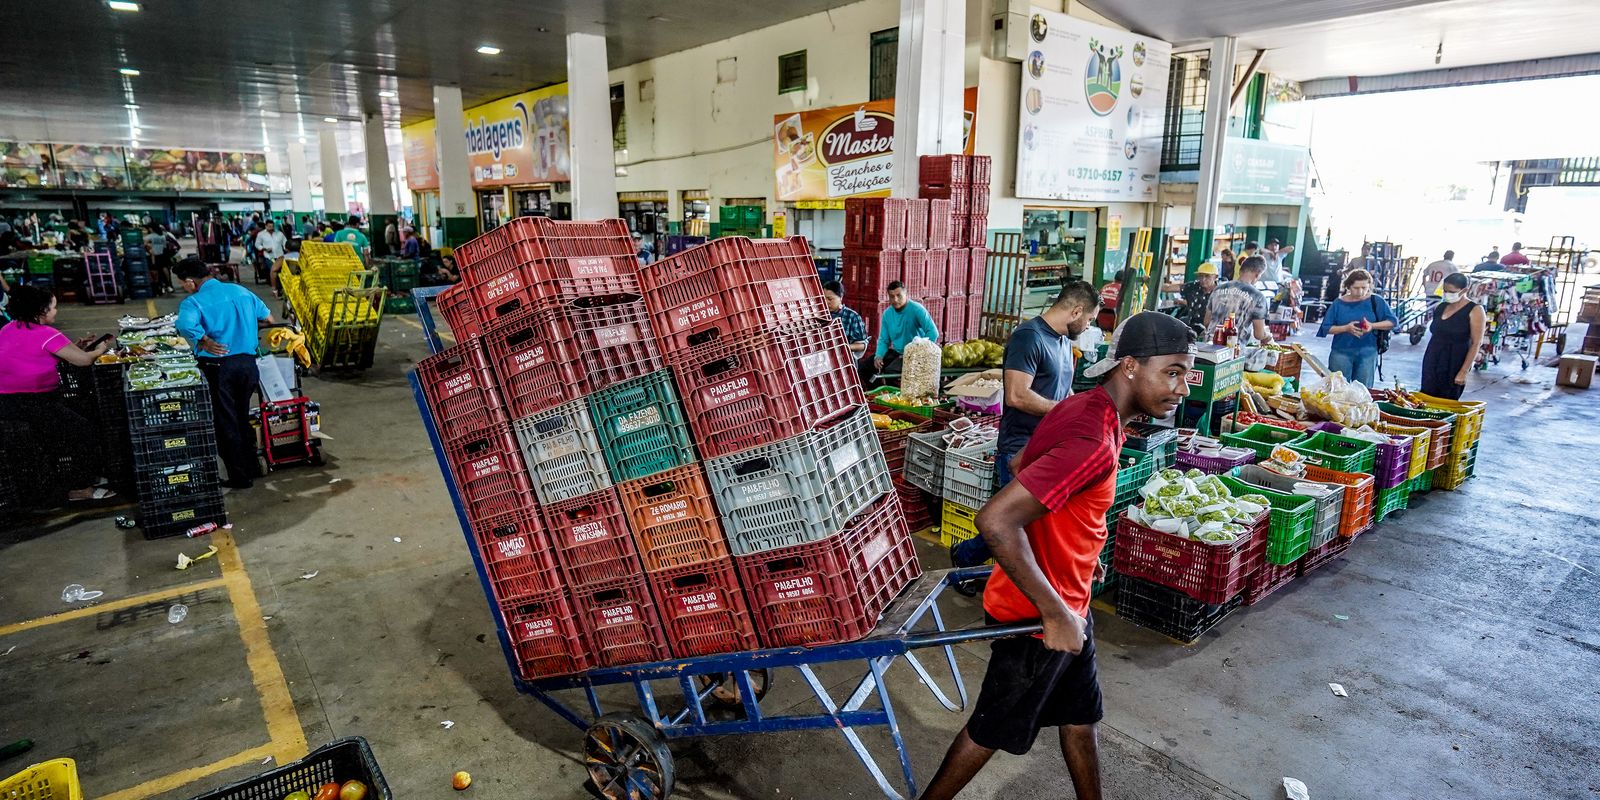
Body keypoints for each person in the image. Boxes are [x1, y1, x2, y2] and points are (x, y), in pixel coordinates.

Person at [920, 312, 1197, 800]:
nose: (1183, 387)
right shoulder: (1094, 437)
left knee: (1079, 717)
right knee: (989, 731)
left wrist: (1083, 556)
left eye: (1186, 374)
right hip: (1038, 615)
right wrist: (1053, 613)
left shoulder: (1085, 408)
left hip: (1069, 600)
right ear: (1130, 366)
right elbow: (996, 521)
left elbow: (1020, 463)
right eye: (1171, 371)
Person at [951, 280, 1098, 569]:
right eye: (1089, 320)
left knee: (1022, 523)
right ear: (1076, 311)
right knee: (1010, 523)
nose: (1088, 326)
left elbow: (1060, 390)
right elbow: (1017, 395)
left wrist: (1079, 410)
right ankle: (968, 561)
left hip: (1049, 447)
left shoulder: (1063, 342)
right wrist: (1065, 414)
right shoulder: (1028, 337)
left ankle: (973, 561)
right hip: (1021, 449)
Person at [0, 285, 116, 502]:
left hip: (6, 402)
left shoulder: (7, 328)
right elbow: (83, 361)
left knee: (60, 431)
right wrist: (99, 350)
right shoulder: (47, 333)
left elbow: (30, 355)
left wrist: (75, 347)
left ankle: (71, 477)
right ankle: (81, 488)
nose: (56, 311)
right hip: (35, 402)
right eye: (53, 307)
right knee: (85, 433)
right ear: (42, 311)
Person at [174, 257, 274, 489]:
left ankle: (240, 477)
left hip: (220, 369)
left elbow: (184, 325)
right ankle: (251, 466)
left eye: (182, 283)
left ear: (190, 282)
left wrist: (204, 339)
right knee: (241, 416)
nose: (183, 288)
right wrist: (244, 327)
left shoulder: (194, 302)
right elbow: (268, 318)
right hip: (248, 365)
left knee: (225, 422)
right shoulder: (241, 291)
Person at [1316, 267, 1397, 387]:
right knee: (1338, 389)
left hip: (1368, 352)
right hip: (1341, 352)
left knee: (1363, 389)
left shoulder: (1376, 301)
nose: (1360, 292)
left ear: (1369, 286)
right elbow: (1326, 328)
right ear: (1348, 287)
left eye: (1364, 288)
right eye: (1356, 288)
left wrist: (1372, 326)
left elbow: (1392, 322)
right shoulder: (1338, 303)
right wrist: (1346, 328)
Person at [1420, 273, 1486, 400]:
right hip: (1433, 357)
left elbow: (1476, 343)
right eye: (1445, 290)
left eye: (1451, 291)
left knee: (1446, 399)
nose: (1446, 294)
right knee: (1425, 397)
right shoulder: (1441, 307)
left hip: (1455, 361)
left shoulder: (1475, 310)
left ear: (1464, 290)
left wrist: (1463, 371)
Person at [859, 281, 938, 385]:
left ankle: (897, 398)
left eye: (899, 296)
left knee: (891, 371)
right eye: (892, 296)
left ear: (906, 294)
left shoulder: (917, 309)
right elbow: (884, 340)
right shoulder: (887, 314)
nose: (895, 300)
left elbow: (933, 333)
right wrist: (879, 356)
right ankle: (878, 394)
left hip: (916, 353)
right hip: (897, 352)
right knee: (864, 368)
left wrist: (917, 352)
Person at [1205, 255, 1272, 346]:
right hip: (1233, 349)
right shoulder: (1258, 297)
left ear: (1240, 270)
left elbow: (1207, 322)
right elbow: (1259, 334)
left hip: (1209, 345)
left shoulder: (1218, 289)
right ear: (1257, 274)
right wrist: (1268, 336)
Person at [821, 280, 868, 357]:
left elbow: (862, 345)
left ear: (841, 297)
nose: (826, 302)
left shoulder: (852, 316)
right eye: (824, 298)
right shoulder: (820, 314)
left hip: (843, 358)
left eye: (830, 299)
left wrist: (843, 347)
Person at [1174, 261, 1220, 335]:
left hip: (1211, 331)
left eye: (1207, 276)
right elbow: (1169, 288)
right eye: (1200, 276)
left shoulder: (1220, 293)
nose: (1203, 279)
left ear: (1215, 277)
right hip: (1191, 329)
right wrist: (1151, 280)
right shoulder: (1193, 287)